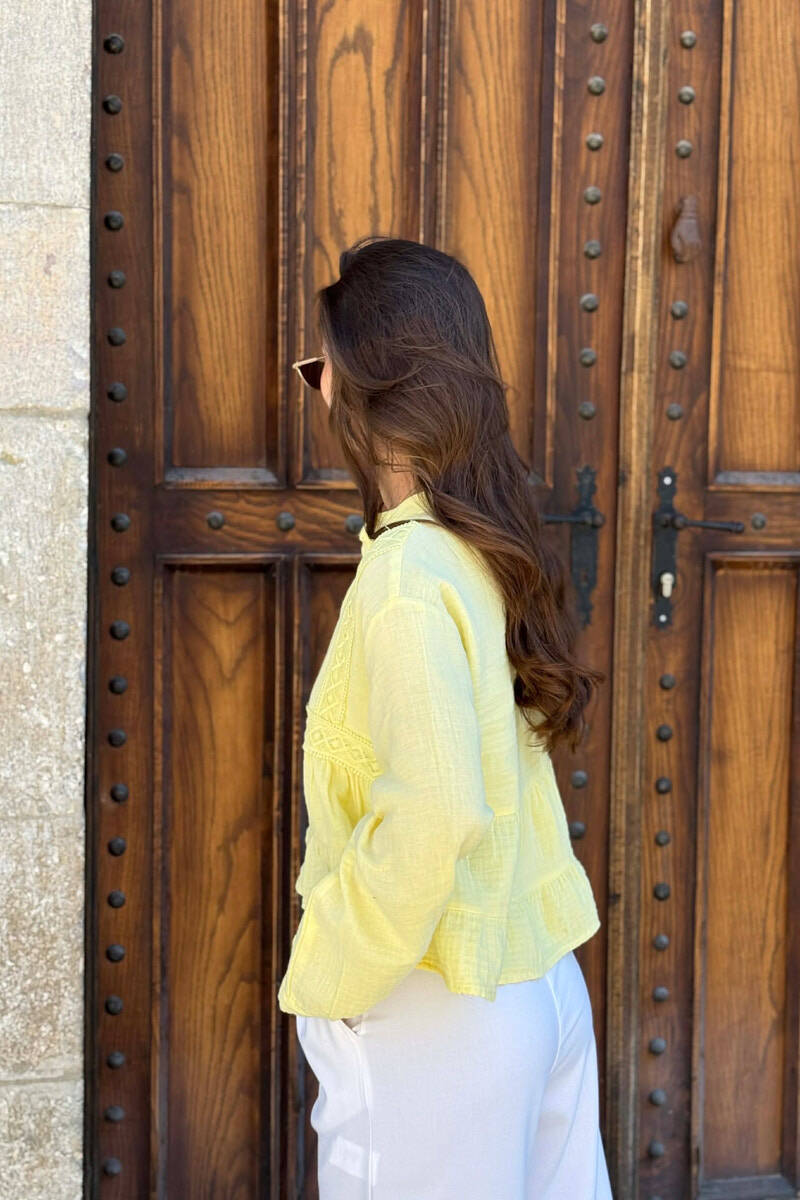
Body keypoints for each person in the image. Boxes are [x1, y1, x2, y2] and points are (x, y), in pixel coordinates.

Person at [280, 235, 613, 1199]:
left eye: (318, 369)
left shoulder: (406, 577)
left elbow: (434, 811)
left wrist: (337, 972)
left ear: (361, 386)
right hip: (538, 984)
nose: (316, 392)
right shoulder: (480, 546)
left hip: (437, 1011)